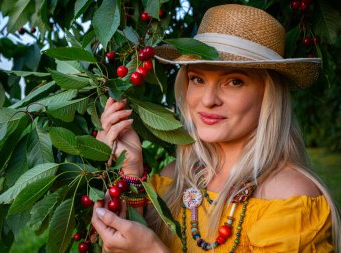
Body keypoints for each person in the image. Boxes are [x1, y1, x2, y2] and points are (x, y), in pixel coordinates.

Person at [91, 4, 341, 252]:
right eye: (197, 79)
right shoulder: (173, 179)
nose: (208, 99)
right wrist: (131, 169)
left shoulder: (289, 198)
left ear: (269, 95)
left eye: (234, 81)